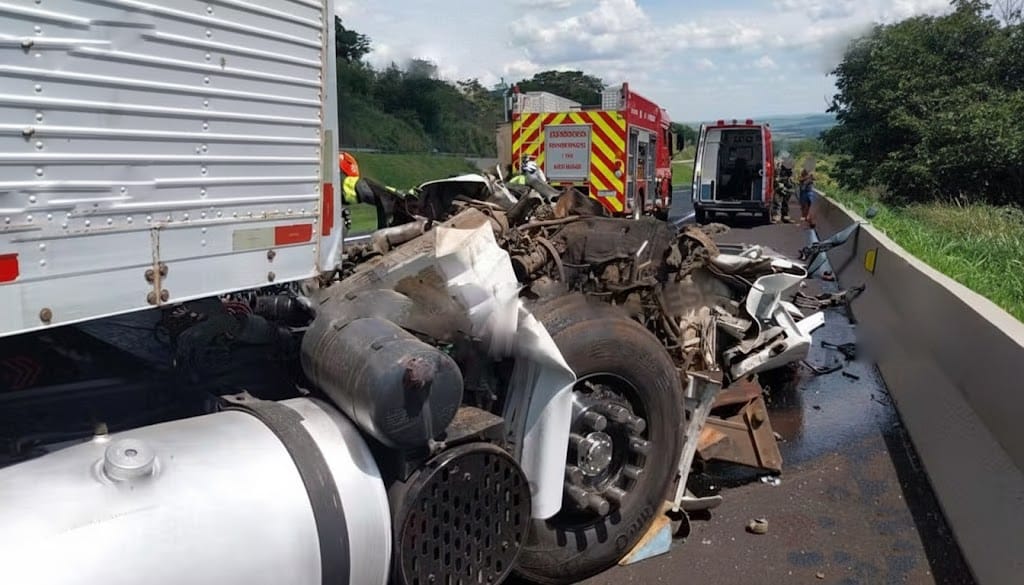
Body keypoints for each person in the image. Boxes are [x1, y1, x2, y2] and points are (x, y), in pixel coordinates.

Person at [772, 157, 794, 223]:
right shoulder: (778, 169)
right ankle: (775, 217)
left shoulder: (789, 171)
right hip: (778, 187)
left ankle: (785, 217)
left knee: (785, 204)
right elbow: (776, 178)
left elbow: (790, 179)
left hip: (786, 187)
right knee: (776, 202)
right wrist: (779, 183)